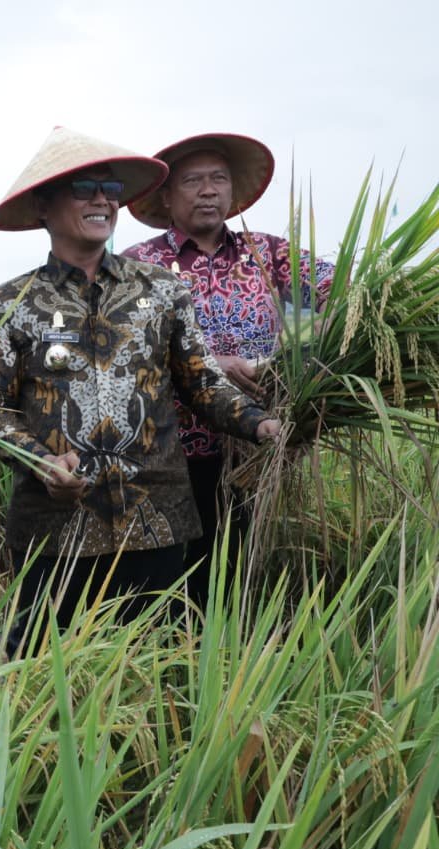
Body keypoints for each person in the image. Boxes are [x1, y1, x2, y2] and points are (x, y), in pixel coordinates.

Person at [0, 127, 282, 655]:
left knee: (155, 670)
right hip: (55, 532)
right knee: (38, 669)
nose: (101, 200)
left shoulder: (162, 291)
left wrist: (260, 423)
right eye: (83, 188)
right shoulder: (12, 303)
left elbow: (203, 382)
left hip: (156, 523)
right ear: (43, 205)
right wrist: (41, 462)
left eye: (110, 189)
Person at [121, 134, 333, 598]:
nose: (208, 190)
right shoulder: (139, 265)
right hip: (168, 453)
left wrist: (333, 321)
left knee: (234, 572)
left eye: (218, 179)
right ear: (166, 196)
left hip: (252, 452)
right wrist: (207, 362)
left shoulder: (266, 252)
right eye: (193, 181)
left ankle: (234, 639)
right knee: (166, 581)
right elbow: (122, 352)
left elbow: (335, 287)